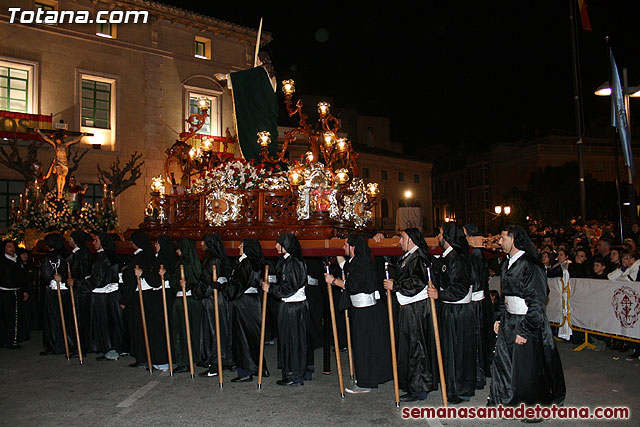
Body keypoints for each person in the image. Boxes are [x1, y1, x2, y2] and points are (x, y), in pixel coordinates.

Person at [489, 225, 565, 408]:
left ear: (514, 239)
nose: (499, 242)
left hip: (527, 321)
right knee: (509, 363)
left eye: (503, 238)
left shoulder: (531, 265)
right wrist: (499, 318)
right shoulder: (506, 263)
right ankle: (510, 400)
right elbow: (504, 296)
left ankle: (533, 405)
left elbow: (538, 301)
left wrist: (526, 330)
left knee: (529, 367)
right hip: (510, 320)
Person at [326, 234, 392, 394]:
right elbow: (346, 267)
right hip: (363, 310)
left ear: (353, 247)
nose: (343, 248)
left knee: (363, 347)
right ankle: (370, 377)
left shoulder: (360, 263)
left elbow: (353, 285)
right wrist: (336, 251)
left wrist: (333, 281)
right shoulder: (358, 261)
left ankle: (365, 382)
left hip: (365, 311)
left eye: (345, 245)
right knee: (366, 345)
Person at [382, 228, 439, 402]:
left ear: (412, 240)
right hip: (408, 307)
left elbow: (417, 282)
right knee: (409, 346)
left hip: (416, 308)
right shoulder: (408, 257)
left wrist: (396, 285)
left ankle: (420, 388)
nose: (400, 242)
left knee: (417, 347)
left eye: (403, 238)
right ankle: (412, 385)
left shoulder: (419, 257)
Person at [427, 222, 476, 404]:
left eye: (440, 233)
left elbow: (460, 288)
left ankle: (460, 389)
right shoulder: (447, 257)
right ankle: (452, 385)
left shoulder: (457, 258)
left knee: (459, 349)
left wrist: (440, 294)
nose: (438, 237)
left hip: (458, 311)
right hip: (449, 308)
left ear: (447, 237)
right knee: (450, 349)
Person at [262, 233, 311, 386]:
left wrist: (271, 289)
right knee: (291, 339)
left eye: (279, 244)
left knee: (293, 340)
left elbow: (290, 287)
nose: (276, 246)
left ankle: (295, 375)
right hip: (292, 305)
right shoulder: (288, 261)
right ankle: (295, 372)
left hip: (293, 307)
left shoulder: (293, 263)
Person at [120, 229, 168, 370]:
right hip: (148, 295)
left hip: (140, 295)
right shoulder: (150, 255)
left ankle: (144, 357)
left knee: (141, 328)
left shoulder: (140, 257)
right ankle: (145, 357)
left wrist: (124, 300)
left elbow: (132, 280)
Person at [223, 238, 269, 382]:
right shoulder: (254, 263)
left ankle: (245, 371)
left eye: (242, 245)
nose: (239, 247)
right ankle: (260, 367)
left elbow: (237, 285)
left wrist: (224, 288)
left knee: (242, 337)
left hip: (243, 302)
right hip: (253, 301)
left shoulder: (246, 263)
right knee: (253, 336)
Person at [195, 233, 234, 377]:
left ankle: (217, 363)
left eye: (203, 242)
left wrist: (198, 292)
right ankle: (218, 360)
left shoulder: (213, 260)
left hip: (213, 299)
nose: (201, 244)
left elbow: (209, 282)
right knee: (216, 330)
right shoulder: (215, 258)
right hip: (213, 297)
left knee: (215, 331)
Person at [464, 223, 493, 391]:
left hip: (474, 302)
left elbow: (473, 282)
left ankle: (477, 375)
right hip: (477, 301)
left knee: (475, 341)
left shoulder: (475, 256)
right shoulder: (475, 256)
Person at [169, 238, 203, 373]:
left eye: (178, 248)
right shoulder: (196, 263)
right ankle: (195, 357)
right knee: (193, 331)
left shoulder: (183, 264)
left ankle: (184, 361)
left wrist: (172, 279)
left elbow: (175, 282)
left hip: (183, 301)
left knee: (181, 332)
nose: (177, 251)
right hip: (193, 301)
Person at [90, 233, 123, 361]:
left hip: (103, 295)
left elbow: (98, 279)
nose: (93, 243)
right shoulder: (111, 255)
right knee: (113, 322)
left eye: (95, 240)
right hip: (112, 294)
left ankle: (110, 349)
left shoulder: (103, 257)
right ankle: (116, 347)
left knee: (105, 323)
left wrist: (79, 284)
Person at [40, 233, 73, 356]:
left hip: (55, 291)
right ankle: (69, 343)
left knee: (54, 318)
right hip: (67, 290)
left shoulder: (48, 257)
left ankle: (56, 345)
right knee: (66, 316)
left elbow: (46, 276)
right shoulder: (68, 255)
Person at [67, 230, 94, 354]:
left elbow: (81, 273)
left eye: (71, 239)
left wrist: (75, 282)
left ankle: (81, 346)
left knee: (81, 319)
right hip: (78, 289)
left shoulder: (82, 255)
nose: (69, 241)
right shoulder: (76, 254)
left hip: (81, 291)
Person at [0, 240, 30, 348]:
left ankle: (13, 340)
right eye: (9, 247)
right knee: (5, 317)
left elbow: (23, 277)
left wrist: (25, 290)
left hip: (16, 291)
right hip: (4, 292)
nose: (11, 249)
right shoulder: (2, 261)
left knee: (15, 317)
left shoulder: (18, 260)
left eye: (12, 247)